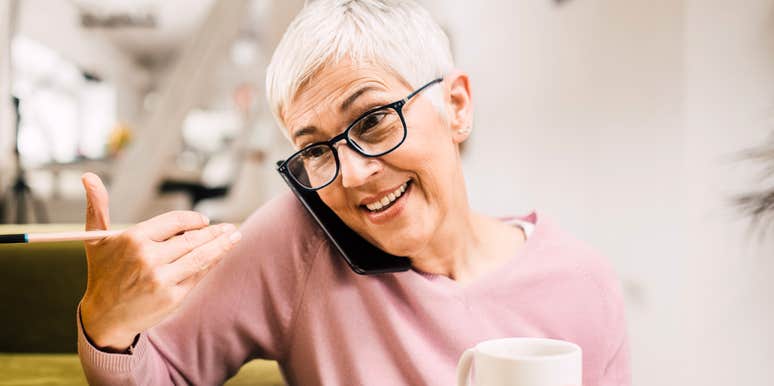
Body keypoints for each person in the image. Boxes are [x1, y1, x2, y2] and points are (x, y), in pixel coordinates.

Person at [77, 1, 630, 385]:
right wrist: (108, 324)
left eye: (373, 121)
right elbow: (164, 375)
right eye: (316, 150)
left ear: (456, 106)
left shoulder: (583, 282)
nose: (351, 175)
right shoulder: (297, 241)